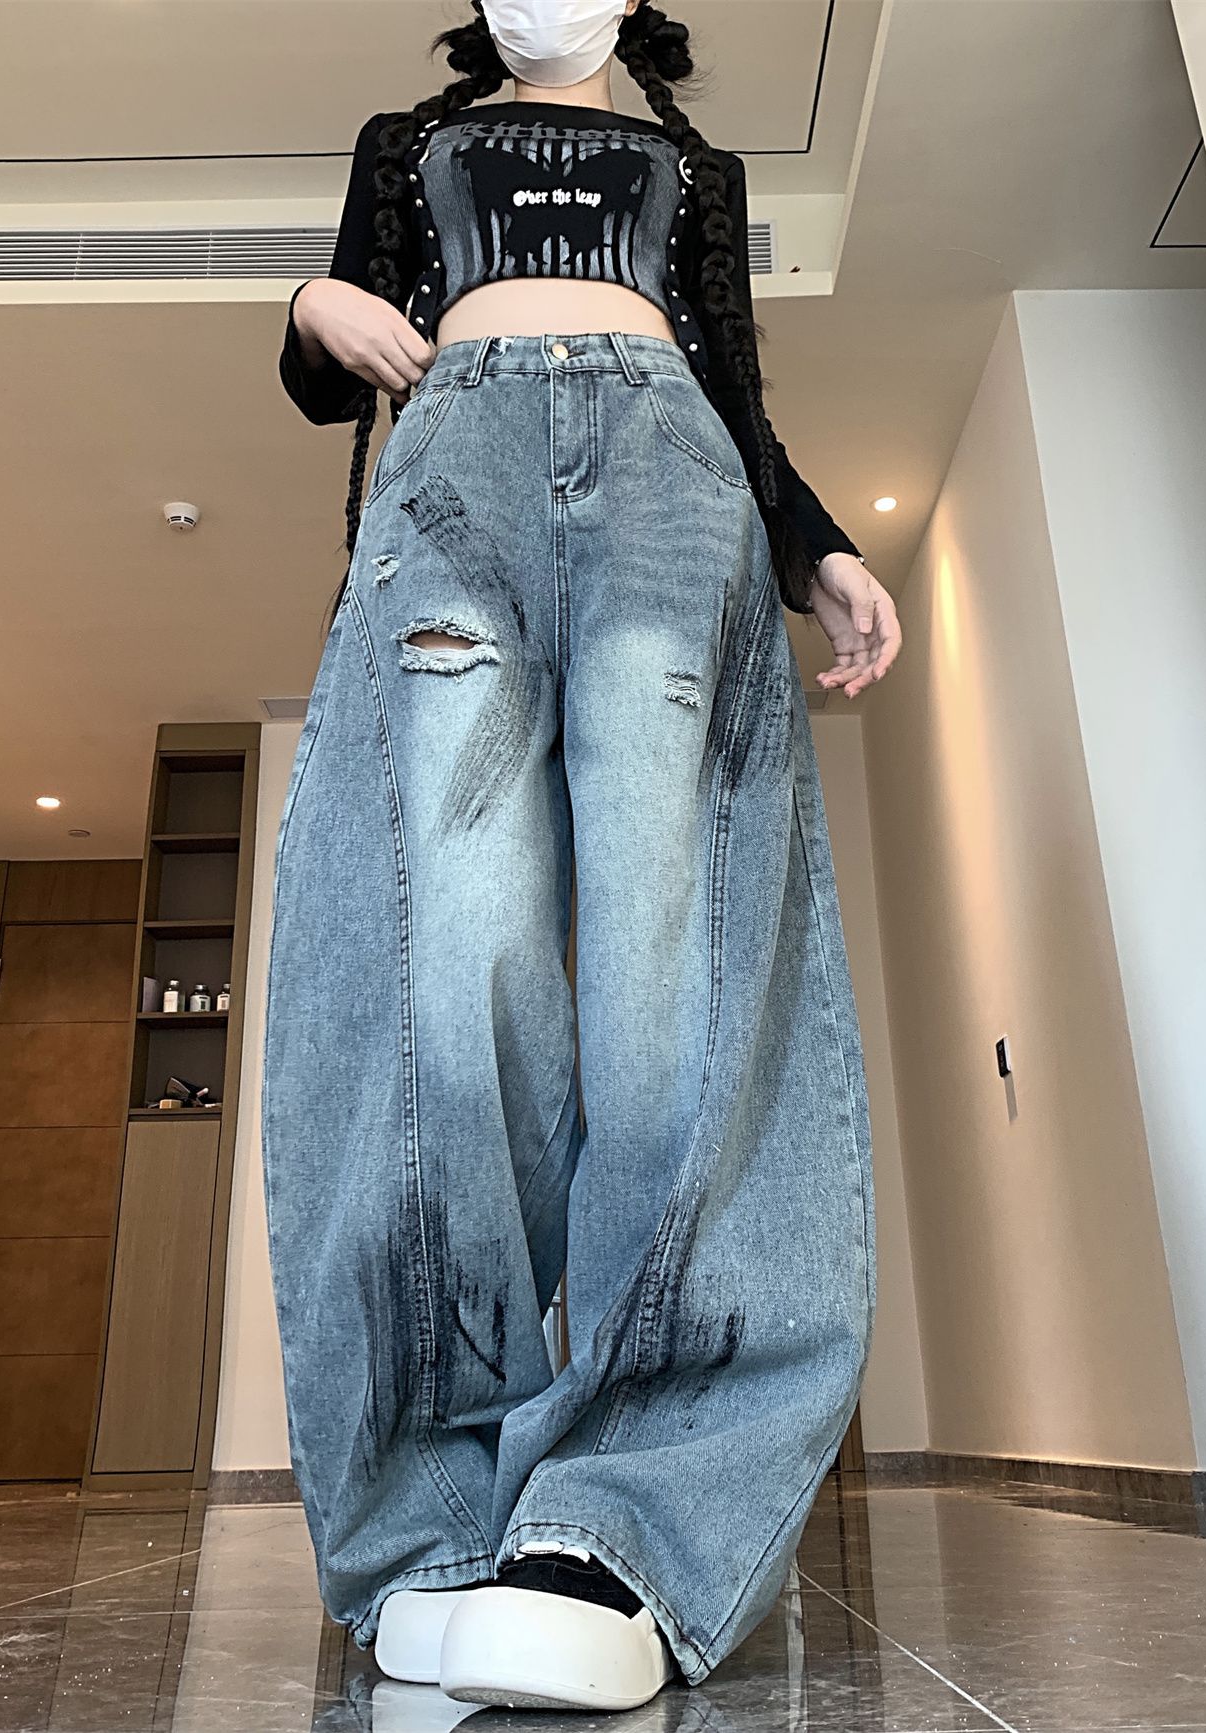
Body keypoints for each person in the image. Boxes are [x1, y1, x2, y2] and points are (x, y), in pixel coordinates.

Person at [261, 0, 901, 1712]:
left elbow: (737, 394)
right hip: (452, 467)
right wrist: (315, 308)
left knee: (664, 971)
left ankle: (622, 1522)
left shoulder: (699, 169)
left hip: (673, 479)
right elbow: (328, 365)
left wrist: (820, 553)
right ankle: (432, 1520)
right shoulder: (411, 144)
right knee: (448, 958)